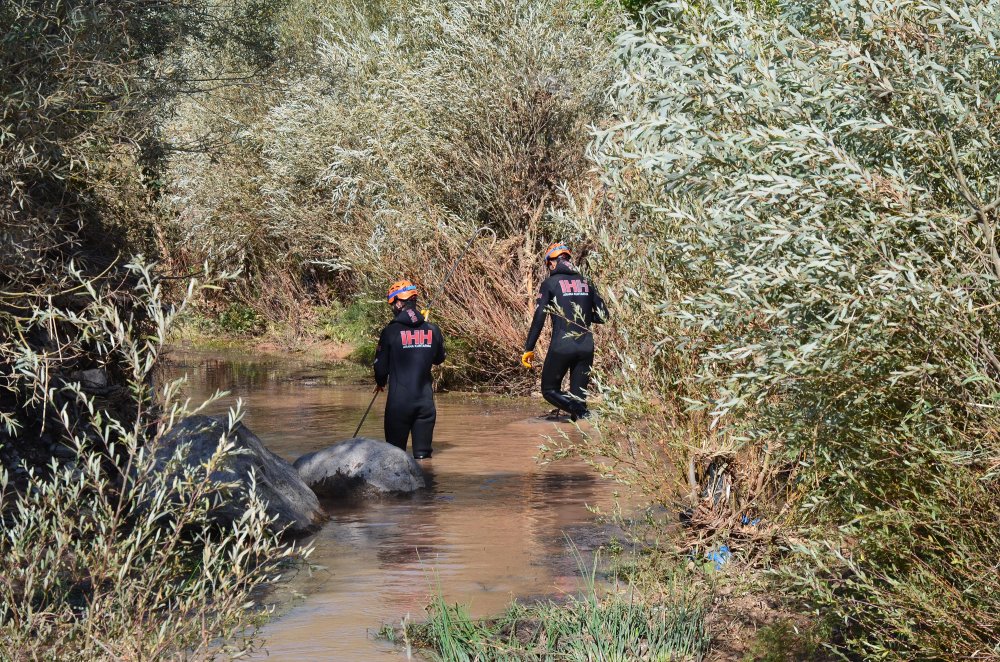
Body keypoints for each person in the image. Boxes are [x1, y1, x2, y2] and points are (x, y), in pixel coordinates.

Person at [521, 243, 607, 420]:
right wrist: (581, 318)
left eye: (548, 265)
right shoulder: (586, 281)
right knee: (578, 399)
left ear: (552, 262)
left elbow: (539, 318)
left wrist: (529, 348)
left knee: (549, 390)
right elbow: (603, 315)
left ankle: (583, 414)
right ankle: (581, 433)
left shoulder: (550, 284)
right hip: (586, 347)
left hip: (562, 345)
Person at [374, 280, 446, 459]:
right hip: (425, 405)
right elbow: (439, 359)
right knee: (424, 459)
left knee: (395, 458)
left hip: (399, 405)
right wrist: (425, 332)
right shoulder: (433, 330)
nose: (392, 307)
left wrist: (380, 382)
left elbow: (380, 369)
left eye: (392, 303)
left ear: (399, 302)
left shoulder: (390, 332)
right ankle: (427, 487)